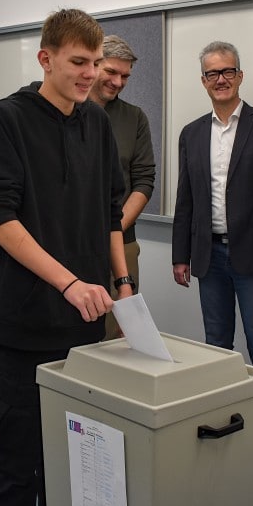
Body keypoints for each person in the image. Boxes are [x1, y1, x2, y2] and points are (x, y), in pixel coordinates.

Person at [0, 8, 134, 506]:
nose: (91, 74)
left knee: (76, 467)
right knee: (14, 465)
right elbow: (0, 219)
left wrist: (122, 283)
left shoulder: (98, 123)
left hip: (85, 328)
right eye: (78, 62)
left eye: (95, 63)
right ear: (46, 58)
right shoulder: (7, 119)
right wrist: (68, 284)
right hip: (24, 325)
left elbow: (112, 212)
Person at [171, 40, 253, 473]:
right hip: (209, 258)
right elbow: (186, 197)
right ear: (202, 81)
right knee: (217, 348)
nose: (220, 80)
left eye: (227, 72)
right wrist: (180, 254)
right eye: (211, 74)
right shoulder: (191, 132)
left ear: (240, 76)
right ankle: (221, 423)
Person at [87, 35, 155, 339]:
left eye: (125, 76)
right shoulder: (66, 112)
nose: (118, 81)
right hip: (71, 245)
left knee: (118, 332)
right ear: (93, 65)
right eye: (111, 72)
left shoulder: (134, 118)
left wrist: (113, 229)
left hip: (123, 242)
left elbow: (144, 180)